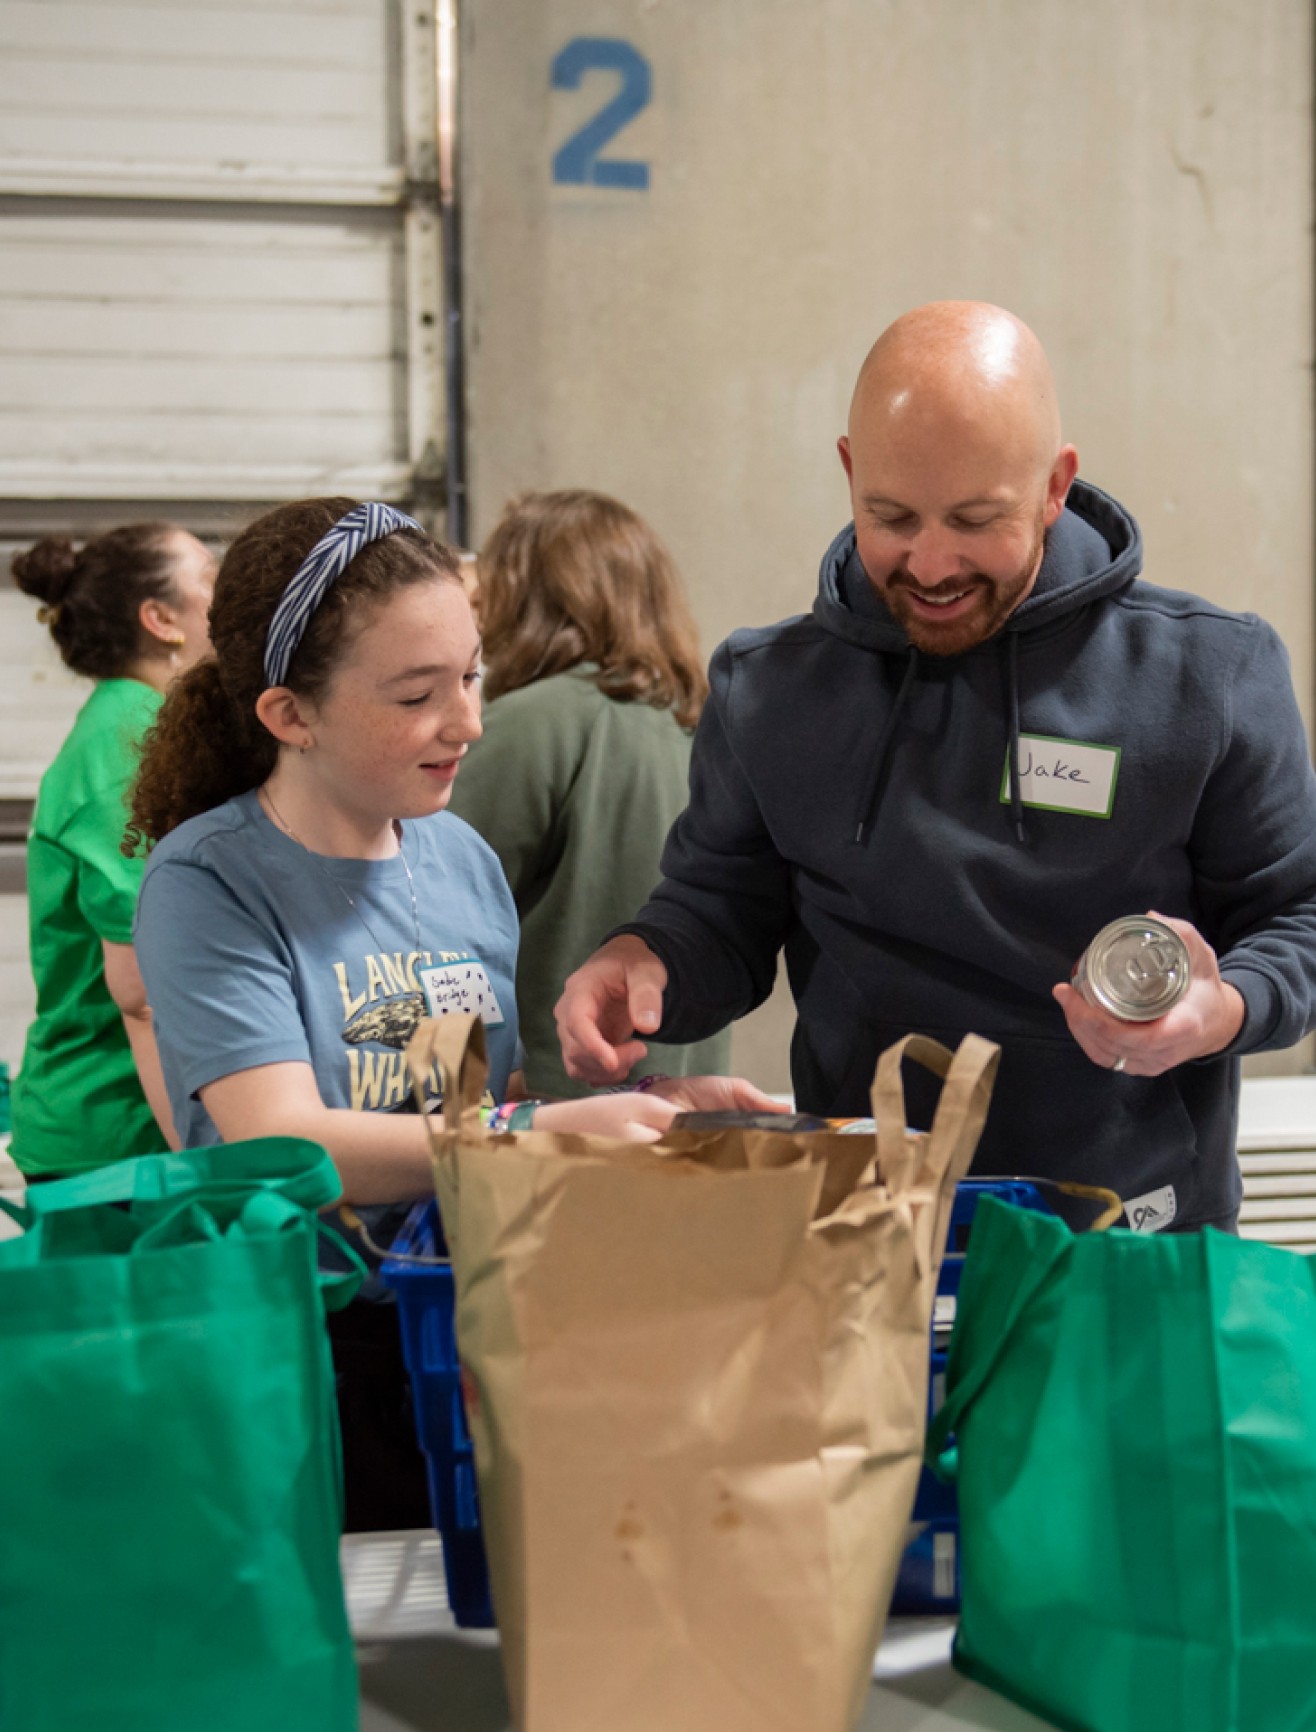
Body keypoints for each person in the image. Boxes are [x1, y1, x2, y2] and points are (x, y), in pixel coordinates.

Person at [555, 302, 1316, 1235]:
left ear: (1057, 484)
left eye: (976, 520)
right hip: (867, 1234)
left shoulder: (1207, 677)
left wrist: (1224, 1007)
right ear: (850, 472)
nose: (931, 562)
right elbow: (720, 914)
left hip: (1130, 1235)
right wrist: (646, 958)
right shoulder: (768, 690)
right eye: (890, 516)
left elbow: (1315, 917)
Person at [126, 497, 775, 1527]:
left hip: (459, 1325)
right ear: (290, 714)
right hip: (298, 1355)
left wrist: (643, 1112)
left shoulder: (459, 857)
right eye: (418, 693)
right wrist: (545, 1131)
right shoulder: (208, 881)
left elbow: (472, 1098)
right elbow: (283, 1139)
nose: (469, 720)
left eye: (470, 674)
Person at [450, 489, 732, 1097]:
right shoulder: (700, 723)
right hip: (682, 1108)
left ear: (523, 595)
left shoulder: (536, 720)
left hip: (556, 1111)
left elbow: (429, 908)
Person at [9, 522, 216, 1178]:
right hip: (117, 1145)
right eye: (210, 580)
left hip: (138, 1133)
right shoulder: (126, 749)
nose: (231, 595)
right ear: (161, 619)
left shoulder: (152, 725)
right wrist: (207, 1158)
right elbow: (145, 989)